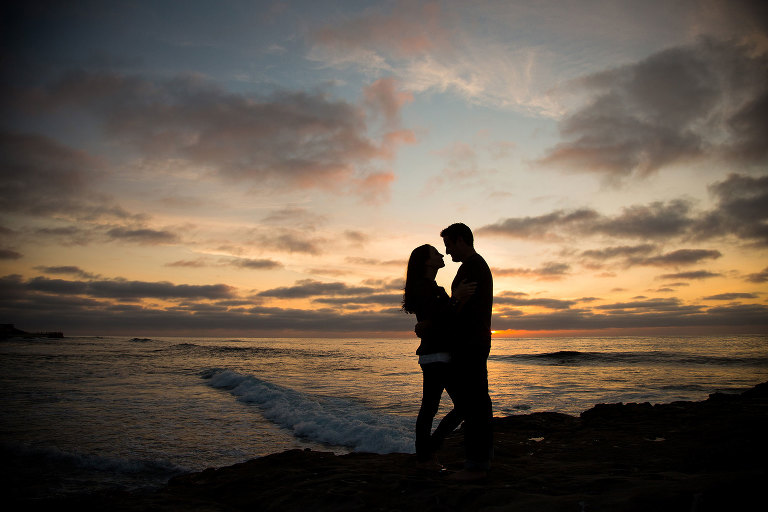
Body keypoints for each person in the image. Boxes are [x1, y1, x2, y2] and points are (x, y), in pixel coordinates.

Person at [402, 244, 475, 469]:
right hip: (437, 355)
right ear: (426, 261)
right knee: (463, 406)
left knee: (430, 408)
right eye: (435, 253)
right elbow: (442, 318)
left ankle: (425, 456)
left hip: (435, 355)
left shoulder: (431, 287)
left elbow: (437, 320)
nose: (441, 255)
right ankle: (428, 451)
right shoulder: (424, 288)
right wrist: (456, 298)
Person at [440, 222, 494, 481]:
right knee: (477, 403)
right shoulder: (475, 266)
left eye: (448, 244)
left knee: (474, 406)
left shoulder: (472, 267)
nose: (448, 252)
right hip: (475, 342)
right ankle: (478, 461)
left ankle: (476, 466)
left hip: (470, 344)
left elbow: (459, 309)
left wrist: (452, 302)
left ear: (461, 240)